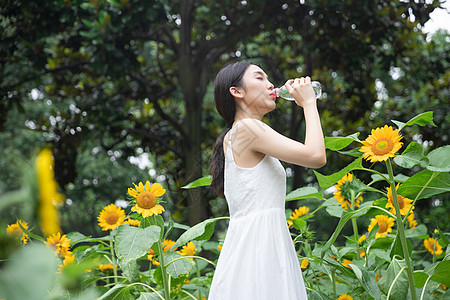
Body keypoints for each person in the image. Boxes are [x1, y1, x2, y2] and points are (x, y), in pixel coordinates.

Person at [208, 60, 326, 299]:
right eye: (259, 78)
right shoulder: (246, 129)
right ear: (237, 91)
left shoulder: (243, 132)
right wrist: (309, 103)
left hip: (258, 244)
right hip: (258, 248)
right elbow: (316, 156)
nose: (270, 83)